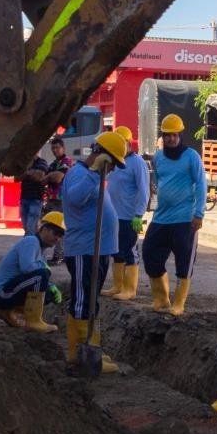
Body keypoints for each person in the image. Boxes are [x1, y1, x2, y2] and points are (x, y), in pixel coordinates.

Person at [61, 131, 126, 374]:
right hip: (83, 250)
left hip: (97, 250)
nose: (112, 170)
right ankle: (77, 356)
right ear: (101, 156)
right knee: (81, 301)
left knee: (91, 302)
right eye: (112, 164)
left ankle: (92, 349)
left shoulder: (94, 176)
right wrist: (93, 172)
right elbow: (75, 199)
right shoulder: (80, 173)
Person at [142, 113, 206, 317]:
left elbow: (201, 185)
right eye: (167, 135)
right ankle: (161, 299)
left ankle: (178, 303)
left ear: (180, 134)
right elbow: (159, 182)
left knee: (183, 261)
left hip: (185, 219)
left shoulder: (191, 157)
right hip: (161, 217)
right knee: (149, 252)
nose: (170, 138)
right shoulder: (159, 157)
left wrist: (198, 214)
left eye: (174, 135)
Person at [0, 211, 66, 332]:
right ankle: (33, 321)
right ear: (44, 229)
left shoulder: (41, 249)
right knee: (42, 276)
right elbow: (27, 268)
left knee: (47, 292)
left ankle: (8, 312)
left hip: (8, 292)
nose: (58, 238)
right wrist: (44, 268)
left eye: (61, 235)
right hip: (1, 294)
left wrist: (50, 286)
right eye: (56, 233)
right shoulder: (31, 241)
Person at [104, 125, 149, 301]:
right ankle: (117, 285)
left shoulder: (137, 163)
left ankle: (130, 289)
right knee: (116, 251)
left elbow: (144, 190)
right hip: (113, 215)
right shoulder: (114, 162)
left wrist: (139, 214)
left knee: (129, 250)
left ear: (129, 143)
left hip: (128, 215)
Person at [40, 135, 73, 264]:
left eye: (57, 148)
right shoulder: (54, 164)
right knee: (53, 227)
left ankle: (59, 255)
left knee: (59, 228)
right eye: (53, 148)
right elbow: (43, 180)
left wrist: (48, 177)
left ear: (63, 148)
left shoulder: (67, 161)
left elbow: (58, 177)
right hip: (52, 199)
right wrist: (49, 176)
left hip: (62, 199)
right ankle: (60, 254)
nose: (55, 150)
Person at [17, 142, 53, 234]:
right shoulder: (23, 163)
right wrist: (32, 172)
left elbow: (40, 176)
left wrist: (26, 173)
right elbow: (16, 177)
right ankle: (33, 244)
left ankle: (29, 246)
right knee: (26, 227)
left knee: (30, 228)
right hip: (24, 198)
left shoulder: (41, 162)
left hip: (35, 199)